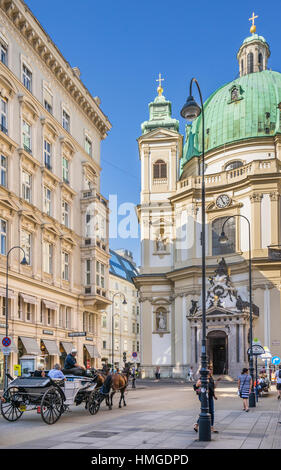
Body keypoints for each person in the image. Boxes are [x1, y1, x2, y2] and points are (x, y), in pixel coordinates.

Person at [193, 368, 219, 433]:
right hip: (203, 396)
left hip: (210, 396)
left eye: (211, 369)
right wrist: (201, 383)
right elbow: (196, 386)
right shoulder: (202, 378)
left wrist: (214, 395)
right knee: (206, 410)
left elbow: (213, 387)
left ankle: (210, 426)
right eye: (209, 369)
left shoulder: (211, 378)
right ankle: (198, 425)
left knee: (211, 411)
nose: (211, 371)